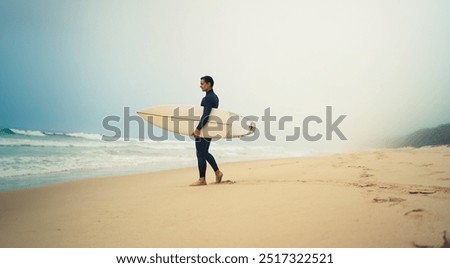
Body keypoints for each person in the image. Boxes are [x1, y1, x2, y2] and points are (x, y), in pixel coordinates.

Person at [190, 75, 223, 186]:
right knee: (204, 153)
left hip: (204, 128)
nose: (200, 86)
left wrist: (198, 129)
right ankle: (218, 173)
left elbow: (206, 114)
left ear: (209, 84)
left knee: (200, 153)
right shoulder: (215, 97)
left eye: (202, 83)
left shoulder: (208, 98)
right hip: (209, 129)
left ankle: (202, 179)